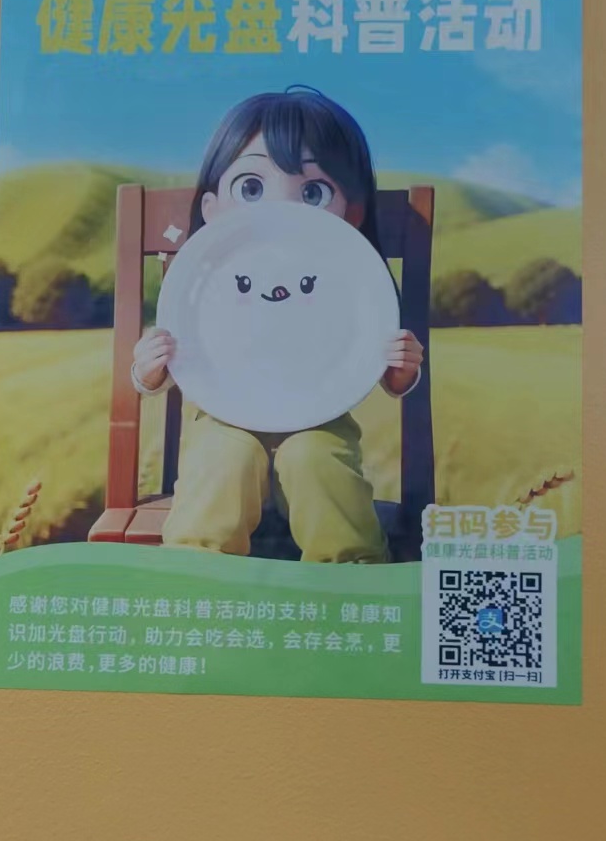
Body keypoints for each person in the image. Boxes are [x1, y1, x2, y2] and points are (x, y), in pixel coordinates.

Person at [132, 87, 424, 561]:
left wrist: (401, 370)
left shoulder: (352, 280)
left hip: (319, 418)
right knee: (223, 456)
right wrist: (148, 370)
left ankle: (353, 574)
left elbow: (375, 362)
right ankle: (195, 573)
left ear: (351, 214)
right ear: (212, 209)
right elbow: (177, 348)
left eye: (312, 193)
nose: (281, 210)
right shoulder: (203, 280)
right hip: (224, 415)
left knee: (316, 458)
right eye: (251, 188)